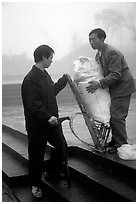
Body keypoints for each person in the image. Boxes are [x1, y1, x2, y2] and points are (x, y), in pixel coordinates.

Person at [21, 45, 68, 199]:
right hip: (38, 126)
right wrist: (48, 116)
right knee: (36, 156)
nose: (52, 61)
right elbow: (34, 104)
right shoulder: (31, 78)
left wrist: (63, 81)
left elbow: (51, 91)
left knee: (61, 147)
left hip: (51, 123)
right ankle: (35, 185)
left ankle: (52, 173)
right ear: (43, 57)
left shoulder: (45, 75)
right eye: (51, 58)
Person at [86, 28, 135, 153]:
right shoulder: (99, 54)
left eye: (93, 39)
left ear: (102, 39)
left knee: (117, 115)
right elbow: (99, 72)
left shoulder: (112, 52)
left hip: (123, 86)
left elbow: (116, 74)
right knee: (111, 114)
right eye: (89, 40)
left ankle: (121, 145)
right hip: (114, 87)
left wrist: (99, 84)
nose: (91, 42)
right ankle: (115, 141)